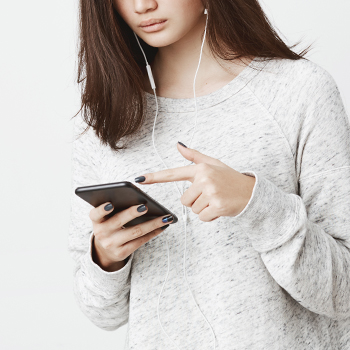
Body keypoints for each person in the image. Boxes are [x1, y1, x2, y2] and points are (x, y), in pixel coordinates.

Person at [68, 0, 350, 349]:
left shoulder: (298, 92)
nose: (144, 5)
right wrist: (107, 258)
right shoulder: (108, 122)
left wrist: (256, 202)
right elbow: (101, 313)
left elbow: (344, 291)